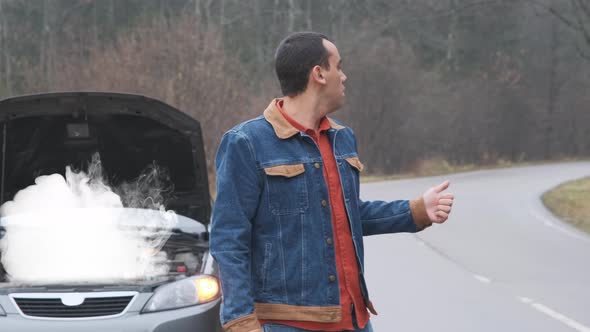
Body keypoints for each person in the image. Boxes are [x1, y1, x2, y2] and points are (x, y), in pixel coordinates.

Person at [210, 32, 454, 332]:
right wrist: (240, 322)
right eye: (339, 66)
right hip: (286, 324)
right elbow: (228, 238)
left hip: (354, 320)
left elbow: (347, 215)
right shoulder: (246, 143)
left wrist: (415, 211)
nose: (344, 76)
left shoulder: (342, 138)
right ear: (319, 74)